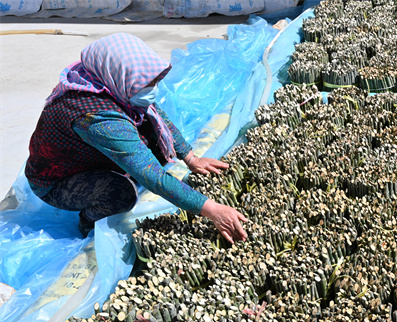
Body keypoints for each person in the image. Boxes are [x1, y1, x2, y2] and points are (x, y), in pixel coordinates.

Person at [25, 33, 248, 243]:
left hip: (87, 155)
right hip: (57, 181)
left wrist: (190, 158)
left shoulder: (104, 78)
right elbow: (153, 176)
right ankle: (88, 222)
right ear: (119, 73)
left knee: (155, 140)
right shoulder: (96, 118)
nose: (154, 90)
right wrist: (212, 209)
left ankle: (123, 170)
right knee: (121, 193)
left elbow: (155, 113)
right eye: (147, 84)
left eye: (154, 82)